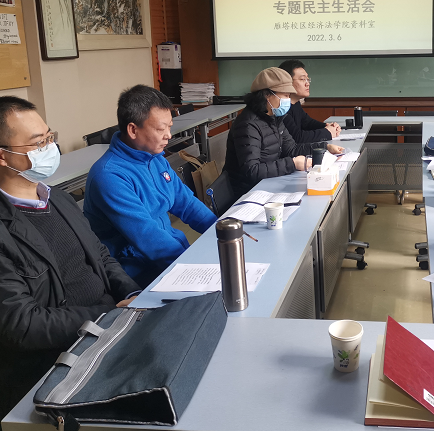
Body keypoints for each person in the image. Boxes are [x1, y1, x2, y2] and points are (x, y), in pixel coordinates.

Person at [0, 97, 141, 431]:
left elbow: (99, 255)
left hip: (105, 335)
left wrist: (132, 294)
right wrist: (109, 315)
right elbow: (24, 325)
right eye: (38, 143)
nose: (49, 149)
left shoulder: (58, 198)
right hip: (54, 369)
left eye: (49, 137)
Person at [84, 85, 217, 288]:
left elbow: (186, 203)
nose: (168, 135)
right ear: (133, 130)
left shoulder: (155, 158)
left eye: (169, 127)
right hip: (137, 272)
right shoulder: (109, 176)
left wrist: (221, 231)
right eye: (161, 129)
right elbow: (147, 236)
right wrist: (191, 267)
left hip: (170, 254)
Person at [225, 67, 344, 197]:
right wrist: (292, 164)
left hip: (269, 184)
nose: (288, 100)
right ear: (267, 95)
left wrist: (324, 147)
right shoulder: (248, 125)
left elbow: (292, 149)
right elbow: (252, 171)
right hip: (248, 193)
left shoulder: (275, 117)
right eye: (285, 95)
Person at [278, 59, 341, 143]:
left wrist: (327, 126)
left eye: (307, 79)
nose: (307, 83)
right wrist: (327, 132)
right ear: (287, 82)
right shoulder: (280, 107)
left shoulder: (295, 103)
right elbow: (297, 137)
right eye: (302, 79)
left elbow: (307, 123)